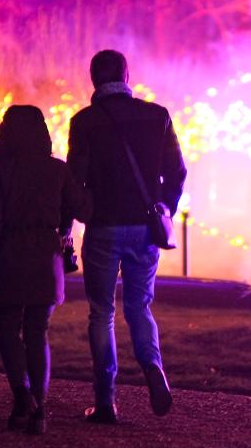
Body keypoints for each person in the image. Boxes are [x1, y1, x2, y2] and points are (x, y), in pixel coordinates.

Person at [67, 50, 187, 424]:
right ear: (126, 75)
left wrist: (76, 216)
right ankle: (152, 366)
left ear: (93, 80)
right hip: (143, 228)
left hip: (102, 227)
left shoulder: (84, 122)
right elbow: (177, 172)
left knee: (101, 312)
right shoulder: (157, 117)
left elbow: (75, 180)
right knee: (140, 307)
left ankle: (106, 402)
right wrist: (163, 206)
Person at [0, 105, 91, 435]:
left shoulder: (0, 170)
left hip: (9, 255)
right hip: (45, 257)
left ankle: (21, 399)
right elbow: (81, 208)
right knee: (38, 332)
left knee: (9, 330)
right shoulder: (57, 171)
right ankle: (40, 408)